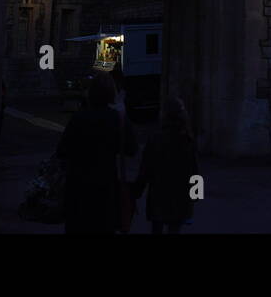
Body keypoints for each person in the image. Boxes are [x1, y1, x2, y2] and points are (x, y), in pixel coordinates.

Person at [56, 71, 137, 234]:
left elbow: (61, 151)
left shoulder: (78, 118)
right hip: (105, 190)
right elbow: (132, 149)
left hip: (78, 189)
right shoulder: (117, 119)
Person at [132, 97, 198, 234]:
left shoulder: (155, 139)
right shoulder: (187, 139)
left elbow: (145, 170)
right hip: (180, 197)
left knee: (157, 229)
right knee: (174, 229)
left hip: (159, 195)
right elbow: (194, 170)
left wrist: (136, 191)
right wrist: (196, 195)